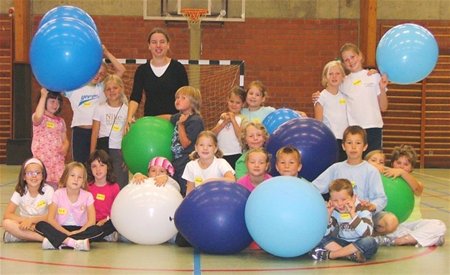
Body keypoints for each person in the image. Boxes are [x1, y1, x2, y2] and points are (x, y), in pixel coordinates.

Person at [312, 125, 399, 235]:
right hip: (339, 216)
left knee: (390, 222)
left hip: (364, 216)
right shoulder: (335, 168)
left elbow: (381, 199)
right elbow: (314, 188)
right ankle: (352, 238)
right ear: (343, 146)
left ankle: (367, 234)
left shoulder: (371, 171)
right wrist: (324, 204)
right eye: (349, 143)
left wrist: (372, 206)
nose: (353, 147)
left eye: (358, 143)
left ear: (365, 146)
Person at [365, 146, 446, 247]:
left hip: (415, 224)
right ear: (392, 164)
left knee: (439, 225)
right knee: (391, 229)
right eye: (398, 163)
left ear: (411, 168)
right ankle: (424, 239)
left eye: (406, 164)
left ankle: (397, 241)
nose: (401, 167)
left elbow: (417, 189)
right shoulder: (383, 180)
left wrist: (402, 173)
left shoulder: (416, 182)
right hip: (396, 226)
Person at [64, 45, 126, 164]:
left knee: (99, 166)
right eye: (96, 72)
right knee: (80, 165)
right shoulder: (74, 87)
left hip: (99, 133)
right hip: (80, 133)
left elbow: (121, 70)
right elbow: (56, 84)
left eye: (102, 74)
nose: (99, 75)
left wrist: (106, 52)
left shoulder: (102, 88)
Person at [125, 27, 189, 132]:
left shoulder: (178, 68)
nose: (158, 45)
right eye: (154, 42)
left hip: (174, 123)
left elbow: (187, 97)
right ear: (149, 46)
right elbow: (135, 97)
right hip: (150, 124)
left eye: (162, 42)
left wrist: (185, 120)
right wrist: (129, 117)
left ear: (168, 45)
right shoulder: (142, 70)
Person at [35, 162, 103, 251]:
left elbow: (92, 221)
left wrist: (79, 231)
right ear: (65, 177)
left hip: (80, 229)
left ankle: (58, 241)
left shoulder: (88, 196)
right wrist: (66, 232)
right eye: (72, 175)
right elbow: (50, 219)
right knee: (40, 225)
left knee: (97, 230)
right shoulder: (58, 194)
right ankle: (73, 243)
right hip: (60, 228)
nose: (76, 179)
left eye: (80, 177)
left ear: (83, 182)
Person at [309, 178, 378, 263]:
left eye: (344, 199)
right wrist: (328, 215)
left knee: (370, 242)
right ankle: (351, 255)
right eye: (335, 200)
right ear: (330, 200)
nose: (340, 204)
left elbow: (367, 233)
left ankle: (331, 255)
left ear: (353, 198)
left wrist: (353, 214)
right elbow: (326, 234)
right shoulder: (335, 210)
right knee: (318, 237)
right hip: (342, 243)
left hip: (359, 244)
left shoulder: (363, 208)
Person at [158, 86, 204, 196]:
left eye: (183, 98)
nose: (178, 100)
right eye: (177, 97)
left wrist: (181, 125)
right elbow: (169, 117)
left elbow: (185, 144)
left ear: (193, 102)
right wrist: (151, 119)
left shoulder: (195, 120)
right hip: (176, 161)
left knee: (186, 190)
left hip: (187, 161)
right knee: (175, 189)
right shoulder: (180, 116)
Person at [90, 74, 129, 188]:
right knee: (104, 181)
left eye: (115, 88)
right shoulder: (100, 108)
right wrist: (92, 154)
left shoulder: (127, 110)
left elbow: (129, 135)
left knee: (120, 182)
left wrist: (127, 156)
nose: (112, 91)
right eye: (108, 89)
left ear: (121, 89)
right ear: (105, 92)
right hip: (103, 150)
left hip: (120, 151)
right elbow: (95, 132)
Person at [2, 158, 54, 243]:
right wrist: (25, 221)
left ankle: (21, 236)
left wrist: (31, 220)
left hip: (43, 224)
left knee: (56, 223)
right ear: (24, 176)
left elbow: (52, 216)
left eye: (37, 173)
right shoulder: (20, 191)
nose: (34, 176)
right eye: (30, 173)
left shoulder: (48, 190)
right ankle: (44, 239)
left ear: (43, 175)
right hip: (25, 225)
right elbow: (7, 214)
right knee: (6, 223)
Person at [31, 88, 69, 190]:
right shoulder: (39, 117)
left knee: (57, 188)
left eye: (58, 102)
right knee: (42, 188)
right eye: (52, 101)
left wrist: (65, 146)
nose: (55, 105)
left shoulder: (60, 121)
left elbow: (65, 140)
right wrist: (43, 96)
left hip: (57, 163)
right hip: (42, 161)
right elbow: (38, 116)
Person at [314, 60, 348, 161]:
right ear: (325, 77)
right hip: (329, 140)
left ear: (342, 77)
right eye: (331, 74)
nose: (334, 77)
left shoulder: (345, 96)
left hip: (344, 141)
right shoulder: (321, 97)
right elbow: (318, 123)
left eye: (337, 73)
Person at [182, 130, 235, 195]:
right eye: (201, 145)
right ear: (196, 148)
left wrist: (211, 181)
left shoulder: (221, 163)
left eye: (209, 145)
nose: (205, 148)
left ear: (215, 149)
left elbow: (232, 180)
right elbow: (190, 191)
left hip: (219, 198)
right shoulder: (190, 166)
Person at [86, 150, 120, 242]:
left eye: (102, 165)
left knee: (114, 224)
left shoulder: (114, 187)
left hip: (107, 222)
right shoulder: (87, 187)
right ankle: (99, 235)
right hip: (91, 222)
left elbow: (117, 211)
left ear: (108, 167)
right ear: (90, 169)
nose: (98, 169)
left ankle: (96, 235)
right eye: (94, 166)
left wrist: (105, 220)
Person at [211, 86, 246, 168]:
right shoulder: (223, 118)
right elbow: (212, 134)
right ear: (227, 101)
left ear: (243, 104)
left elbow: (241, 137)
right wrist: (223, 123)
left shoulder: (243, 119)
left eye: (238, 102)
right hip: (220, 154)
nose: (234, 105)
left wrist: (233, 120)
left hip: (235, 154)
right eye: (231, 101)